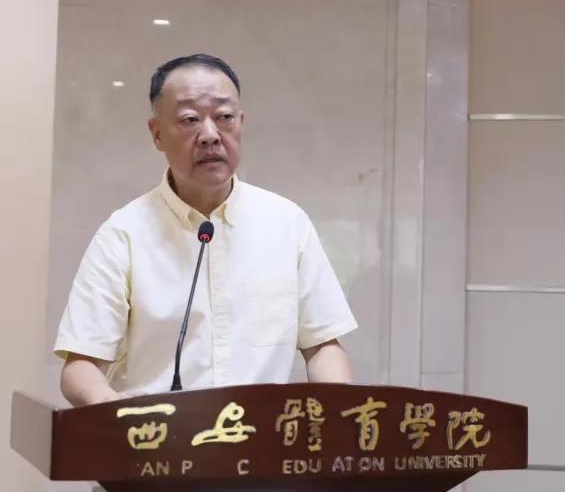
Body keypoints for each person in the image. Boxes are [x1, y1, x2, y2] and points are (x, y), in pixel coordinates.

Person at [53, 54, 356, 406]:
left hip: (263, 436)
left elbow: (322, 345)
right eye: (189, 120)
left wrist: (338, 414)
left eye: (224, 117)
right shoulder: (124, 233)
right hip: (160, 436)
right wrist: (116, 412)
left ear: (241, 123)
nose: (210, 135)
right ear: (157, 134)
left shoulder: (287, 222)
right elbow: (81, 366)